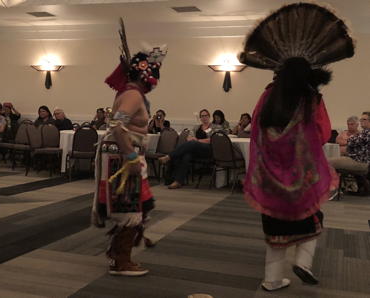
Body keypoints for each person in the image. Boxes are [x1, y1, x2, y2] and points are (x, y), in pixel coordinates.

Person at [239, 2, 354, 291]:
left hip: (269, 178)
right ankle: (303, 261)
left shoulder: (267, 96)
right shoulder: (311, 100)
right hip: (301, 177)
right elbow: (323, 131)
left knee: (275, 226)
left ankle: (272, 280)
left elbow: (255, 129)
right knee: (312, 218)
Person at [91, 18, 167, 277]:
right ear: (147, 74)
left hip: (122, 155)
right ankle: (121, 262)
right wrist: (132, 155)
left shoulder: (131, 92)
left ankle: (118, 255)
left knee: (134, 207)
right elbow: (116, 124)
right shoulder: (133, 94)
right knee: (129, 209)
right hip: (122, 156)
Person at [159, 109, 222, 189]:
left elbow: (213, 140)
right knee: (186, 155)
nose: (204, 117)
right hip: (196, 150)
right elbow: (189, 138)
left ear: (209, 116)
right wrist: (194, 140)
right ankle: (178, 181)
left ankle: (169, 156)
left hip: (208, 150)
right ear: (200, 118)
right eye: (202, 116)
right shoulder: (196, 127)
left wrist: (198, 141)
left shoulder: (215, 127)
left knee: (193, 143)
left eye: (206, 115)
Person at [329, 112, 370, 194]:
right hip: (357, 159)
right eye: (361, 119)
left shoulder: (367, 133)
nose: (361, 121)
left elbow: (351, 142)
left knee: (328, 162)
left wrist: (348, 144)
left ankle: (331, 189)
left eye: (364, 119)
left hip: (360, 162)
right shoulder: (364, 133)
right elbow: (344, 142)